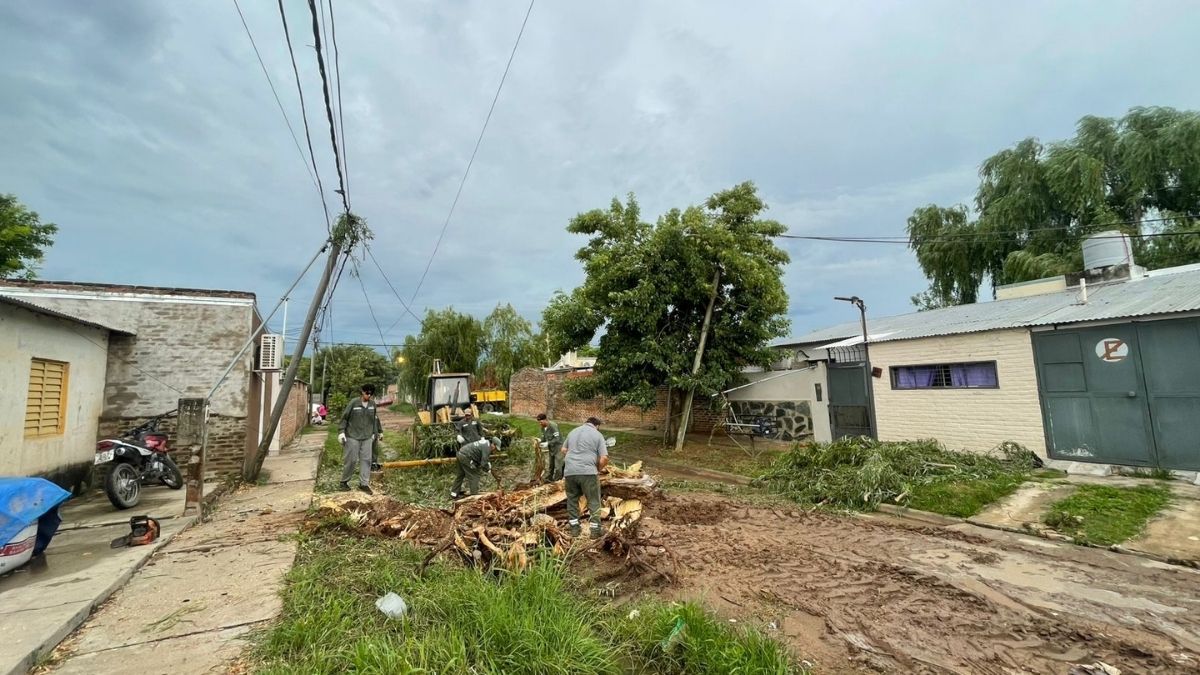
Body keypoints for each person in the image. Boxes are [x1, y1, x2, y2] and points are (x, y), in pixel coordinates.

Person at [562, 416, 608, 538]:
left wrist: (573, 461)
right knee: (593, 500)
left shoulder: (573, 432)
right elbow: (604, 458)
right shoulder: (597, 435)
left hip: (570, 471)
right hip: (588, 472)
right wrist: (597, 469)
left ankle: (574, 530)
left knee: (572, 499)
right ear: (597, 426)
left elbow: (564, 449)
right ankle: (595, 531)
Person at [338, 384, 382, 494]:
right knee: (351, 460)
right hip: (352, 435)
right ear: (362, 392)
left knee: (366, 460)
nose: (369, 395)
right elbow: (344, 418)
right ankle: (344, 482)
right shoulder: (354, 403)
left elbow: (374, 420)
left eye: (371, 393)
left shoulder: (372, 405)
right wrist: (341, 432)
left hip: (367, 436)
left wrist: (377, 432)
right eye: (367, 393)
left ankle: (364, 484)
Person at [450, 411, 495, 499]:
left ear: (472, 415)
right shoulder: (461, 423)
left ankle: (454, 493)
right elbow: (483, 460)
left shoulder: (476, 421)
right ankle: (474, 495)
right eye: (466, 415)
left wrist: (482, 437)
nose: (468, 417)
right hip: (467, 448)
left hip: (471, 447)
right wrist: (459, 436)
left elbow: (480, 430)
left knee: (461, 473)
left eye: (469, 415)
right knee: (474, 473)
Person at [537, 413, 563, 482]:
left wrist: (547, 443)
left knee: (558, 467)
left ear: (545, 420)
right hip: (551, 448)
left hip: (558, 448)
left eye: (541, 422)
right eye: (539, 422)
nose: (540, 423)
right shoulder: (542, 427)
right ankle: (549, 479)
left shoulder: (553, 426)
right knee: (551, 465)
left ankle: (557, 481)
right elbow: (543, 437)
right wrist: (540, 442)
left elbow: (557, 439)